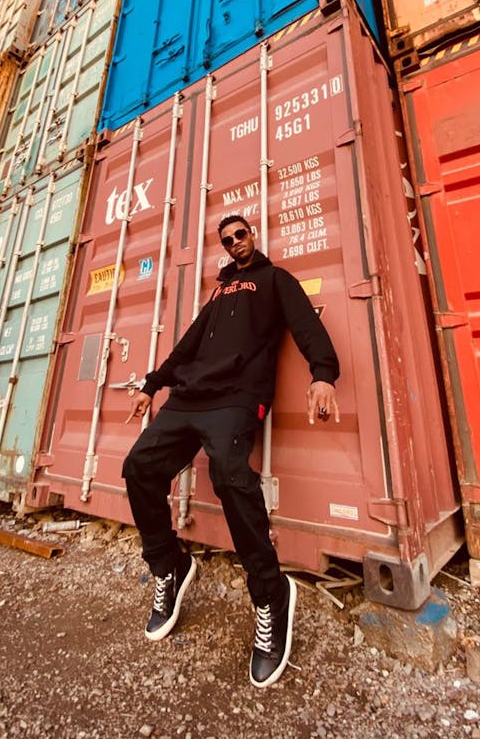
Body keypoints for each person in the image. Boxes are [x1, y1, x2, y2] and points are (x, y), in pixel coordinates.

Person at [123, 214, 340, 688]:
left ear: (253, 236)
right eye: (226, 240)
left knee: (228, 473)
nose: (235, 243)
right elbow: (188, 345)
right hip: (190, 396)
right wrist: (153, 384)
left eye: (240, 235)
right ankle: (170, 566)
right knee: (138, 466)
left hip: (238, 396)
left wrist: (323, 373)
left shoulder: (274, 280)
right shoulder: (220, 293)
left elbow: (305, 325)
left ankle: (270, 595)